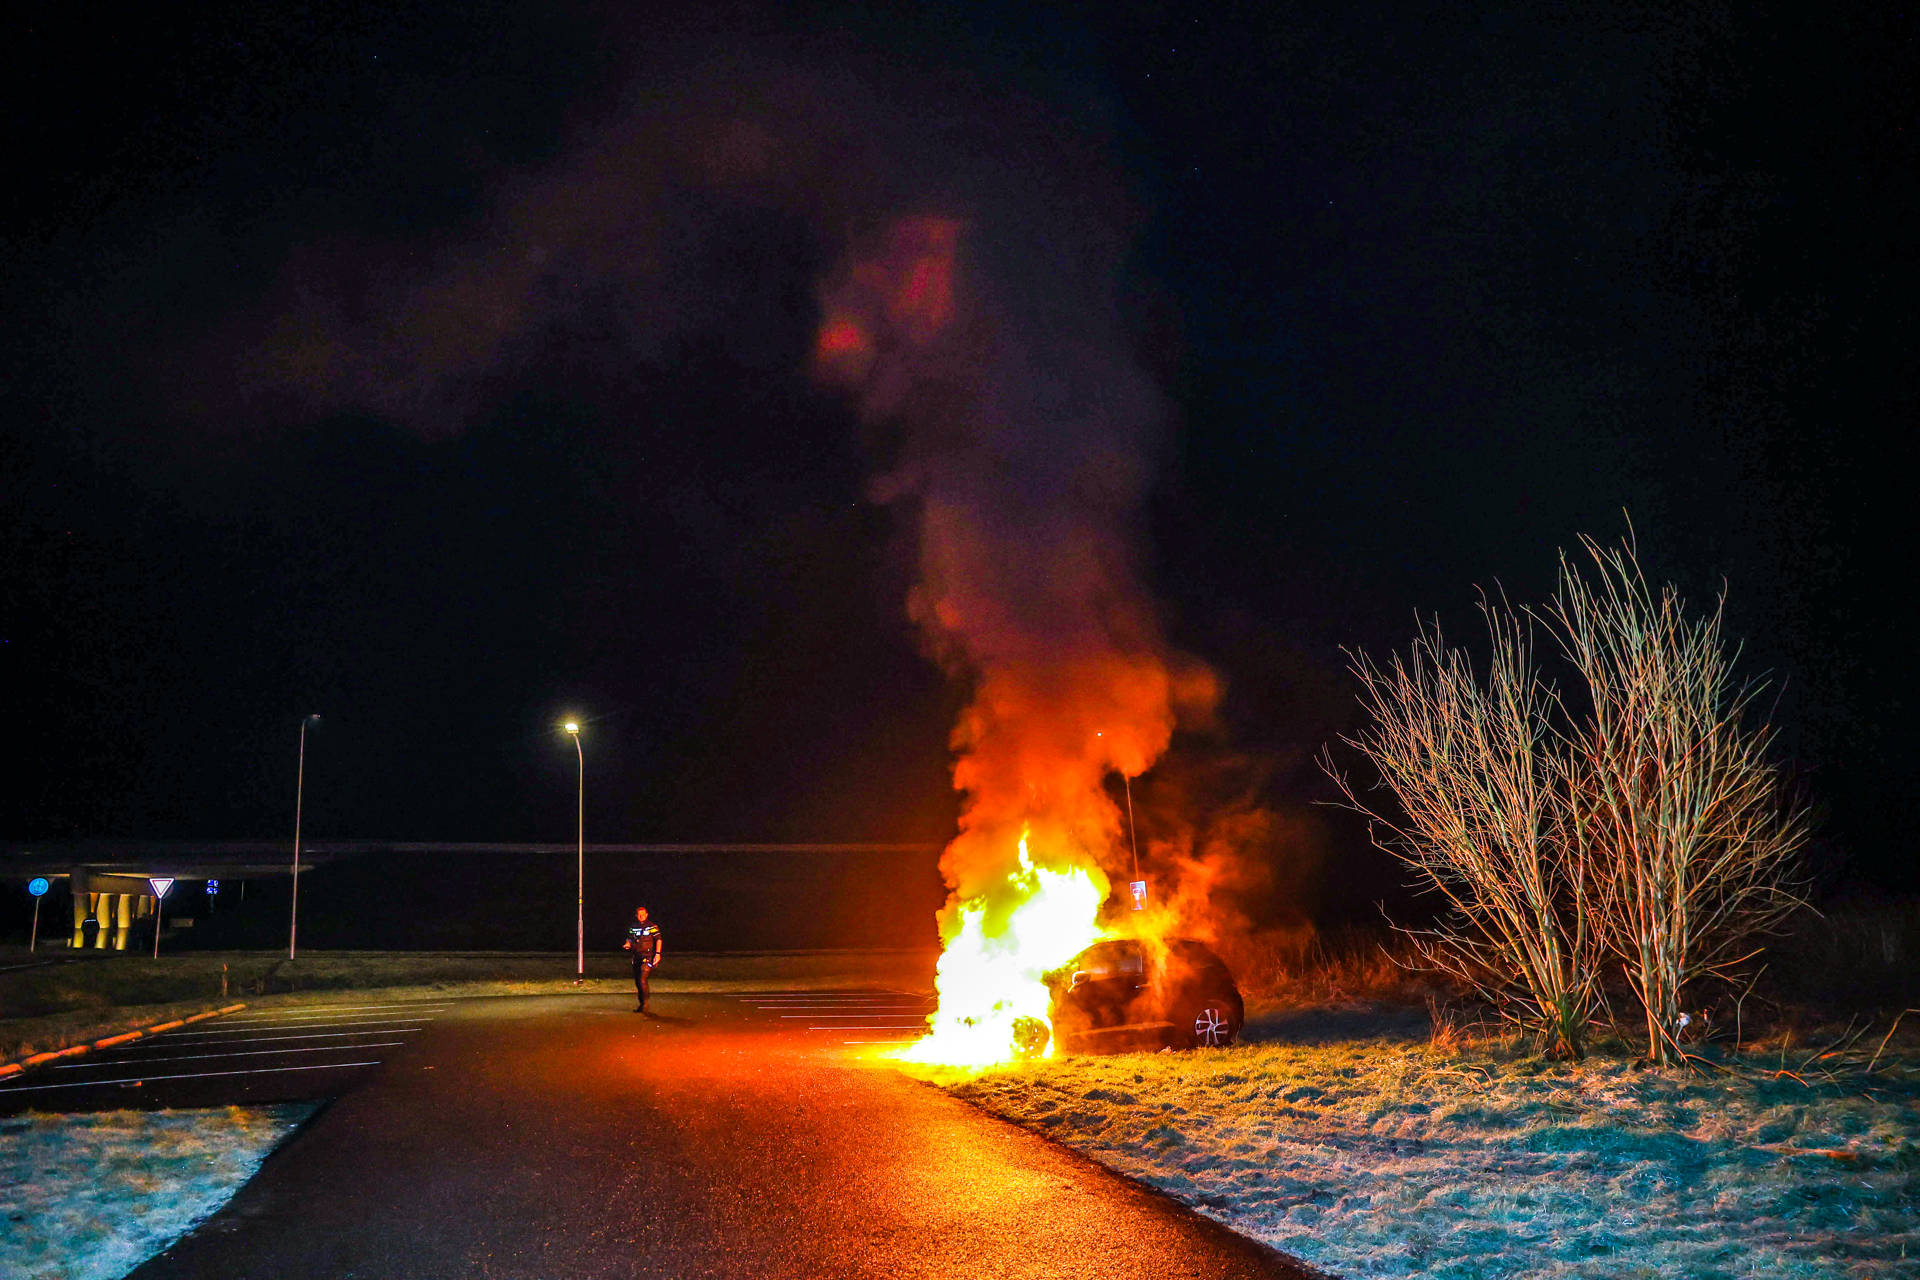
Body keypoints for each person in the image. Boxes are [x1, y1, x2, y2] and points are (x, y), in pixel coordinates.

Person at [622, 905, 663, 1013]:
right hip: (636, 956)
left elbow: (658, 939)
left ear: (647, 915)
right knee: (637, 981)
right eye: (639, 915)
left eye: (643, 914)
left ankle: (645, 1004)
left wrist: (658, 954)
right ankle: (641, 1004)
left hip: (647, 957)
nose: (641, 916)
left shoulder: (652, 926)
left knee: (642, 979)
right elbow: (630, 938)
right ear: (636, 916)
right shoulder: (633, 927)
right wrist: (627, 944)